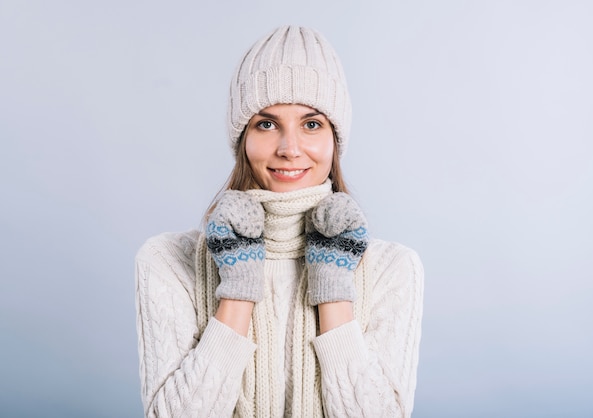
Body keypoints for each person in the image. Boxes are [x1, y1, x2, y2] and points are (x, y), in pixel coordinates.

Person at [135, 25, 424, 418]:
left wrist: (334, 288)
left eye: (312, 124)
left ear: (335, 140)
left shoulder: (393, 269)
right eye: (267, 124)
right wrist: (237, 287)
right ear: (242, 140)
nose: (289, 149)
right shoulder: (167, 261)